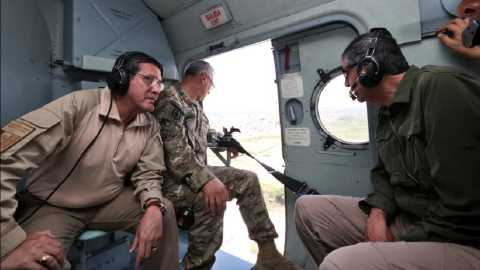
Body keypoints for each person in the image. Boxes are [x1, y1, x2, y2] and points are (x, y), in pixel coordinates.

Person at [295, 29, 480, 269]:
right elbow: (384, 175)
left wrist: (396, 246)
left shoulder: (440, 87)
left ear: (367, 68)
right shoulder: (387, 114)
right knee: (308, 211)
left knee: (338, 264)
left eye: (346, 72)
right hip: (415, 219)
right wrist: (377, 212)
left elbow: (466, 208)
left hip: (461, 235)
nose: (345, 83)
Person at [0, 52, 179, 270]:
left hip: (108, 202)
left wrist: (153, 205)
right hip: (54, 205)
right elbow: (5, 160)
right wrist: (7, 242)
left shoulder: (150, 125)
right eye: (148, 79)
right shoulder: (79, 105)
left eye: (160, 83)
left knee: (164, 210)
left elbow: (149, 173)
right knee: (37, 262)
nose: (156, 89)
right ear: (120, 79)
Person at [152, 60, 302, 270]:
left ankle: (268, 253)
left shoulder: (194, 105)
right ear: (204, 78)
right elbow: (176, 152)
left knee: (248, 179)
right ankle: (197, 266)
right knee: (211, 197)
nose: (210, 91)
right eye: (211, 85)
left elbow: (202, 135)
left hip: (193, 172)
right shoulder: (170, 101)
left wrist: (225, 142)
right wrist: (207, 181)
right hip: (170, 179)